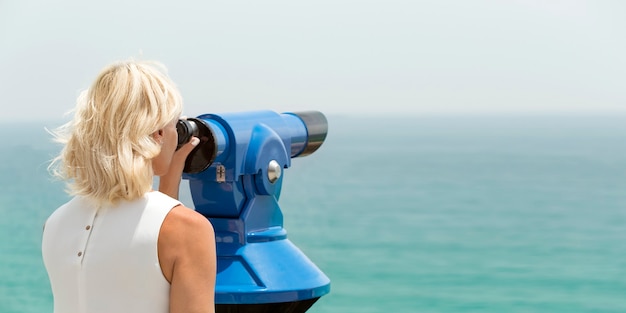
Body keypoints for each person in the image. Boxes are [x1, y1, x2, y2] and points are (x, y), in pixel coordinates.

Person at [42, 60, 216, 313]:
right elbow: (151, 240)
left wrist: (169, 179)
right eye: (174, 126)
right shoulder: (187, 230)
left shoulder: (55, 224)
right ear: (158, 133)